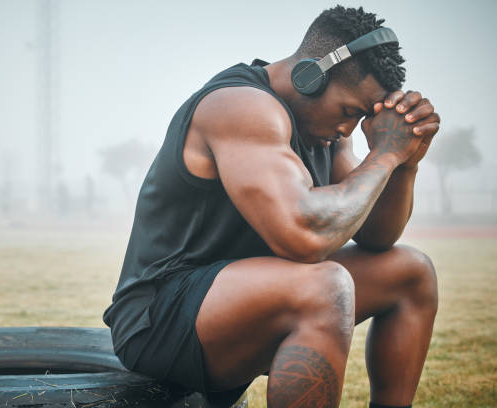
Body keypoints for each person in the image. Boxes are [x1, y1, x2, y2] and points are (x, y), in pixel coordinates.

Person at [103, 5, 440, 408]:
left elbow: (376, 235)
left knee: (410, 271)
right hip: (160, 321)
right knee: (325, 287)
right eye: (349, 111)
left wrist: (404, 162)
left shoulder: (327, 134)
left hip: (249, 301)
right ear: (310, 76)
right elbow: (305, 235)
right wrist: (383, 156)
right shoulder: (240, 108)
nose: (349, 129)